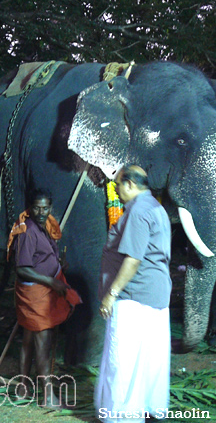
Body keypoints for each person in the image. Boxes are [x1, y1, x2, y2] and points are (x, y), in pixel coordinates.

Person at [95, 165, 171, 422]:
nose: (116, 192)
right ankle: (147, 409)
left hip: (132, 296)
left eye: (117, 186)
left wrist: (111, 293)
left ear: (129, 184)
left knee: (122, 360)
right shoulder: (157, 208)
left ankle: (121, 415)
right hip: (155, 295)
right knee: (148, 359)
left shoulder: (138, 212)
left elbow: (133, 259)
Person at [7, 188, 81, 408]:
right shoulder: (28, 231)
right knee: (42, 342)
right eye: (37, 207)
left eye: (45, 207)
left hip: (41, 291)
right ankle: (47, 396)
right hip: (35, 293)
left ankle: (23, 388)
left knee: (29, 339)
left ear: (50, 207)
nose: (41, 212)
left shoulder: (45, 227)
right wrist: (52, 282)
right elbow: (23, 269)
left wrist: (58, 265)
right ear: (30, 208)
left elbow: (42, 258)